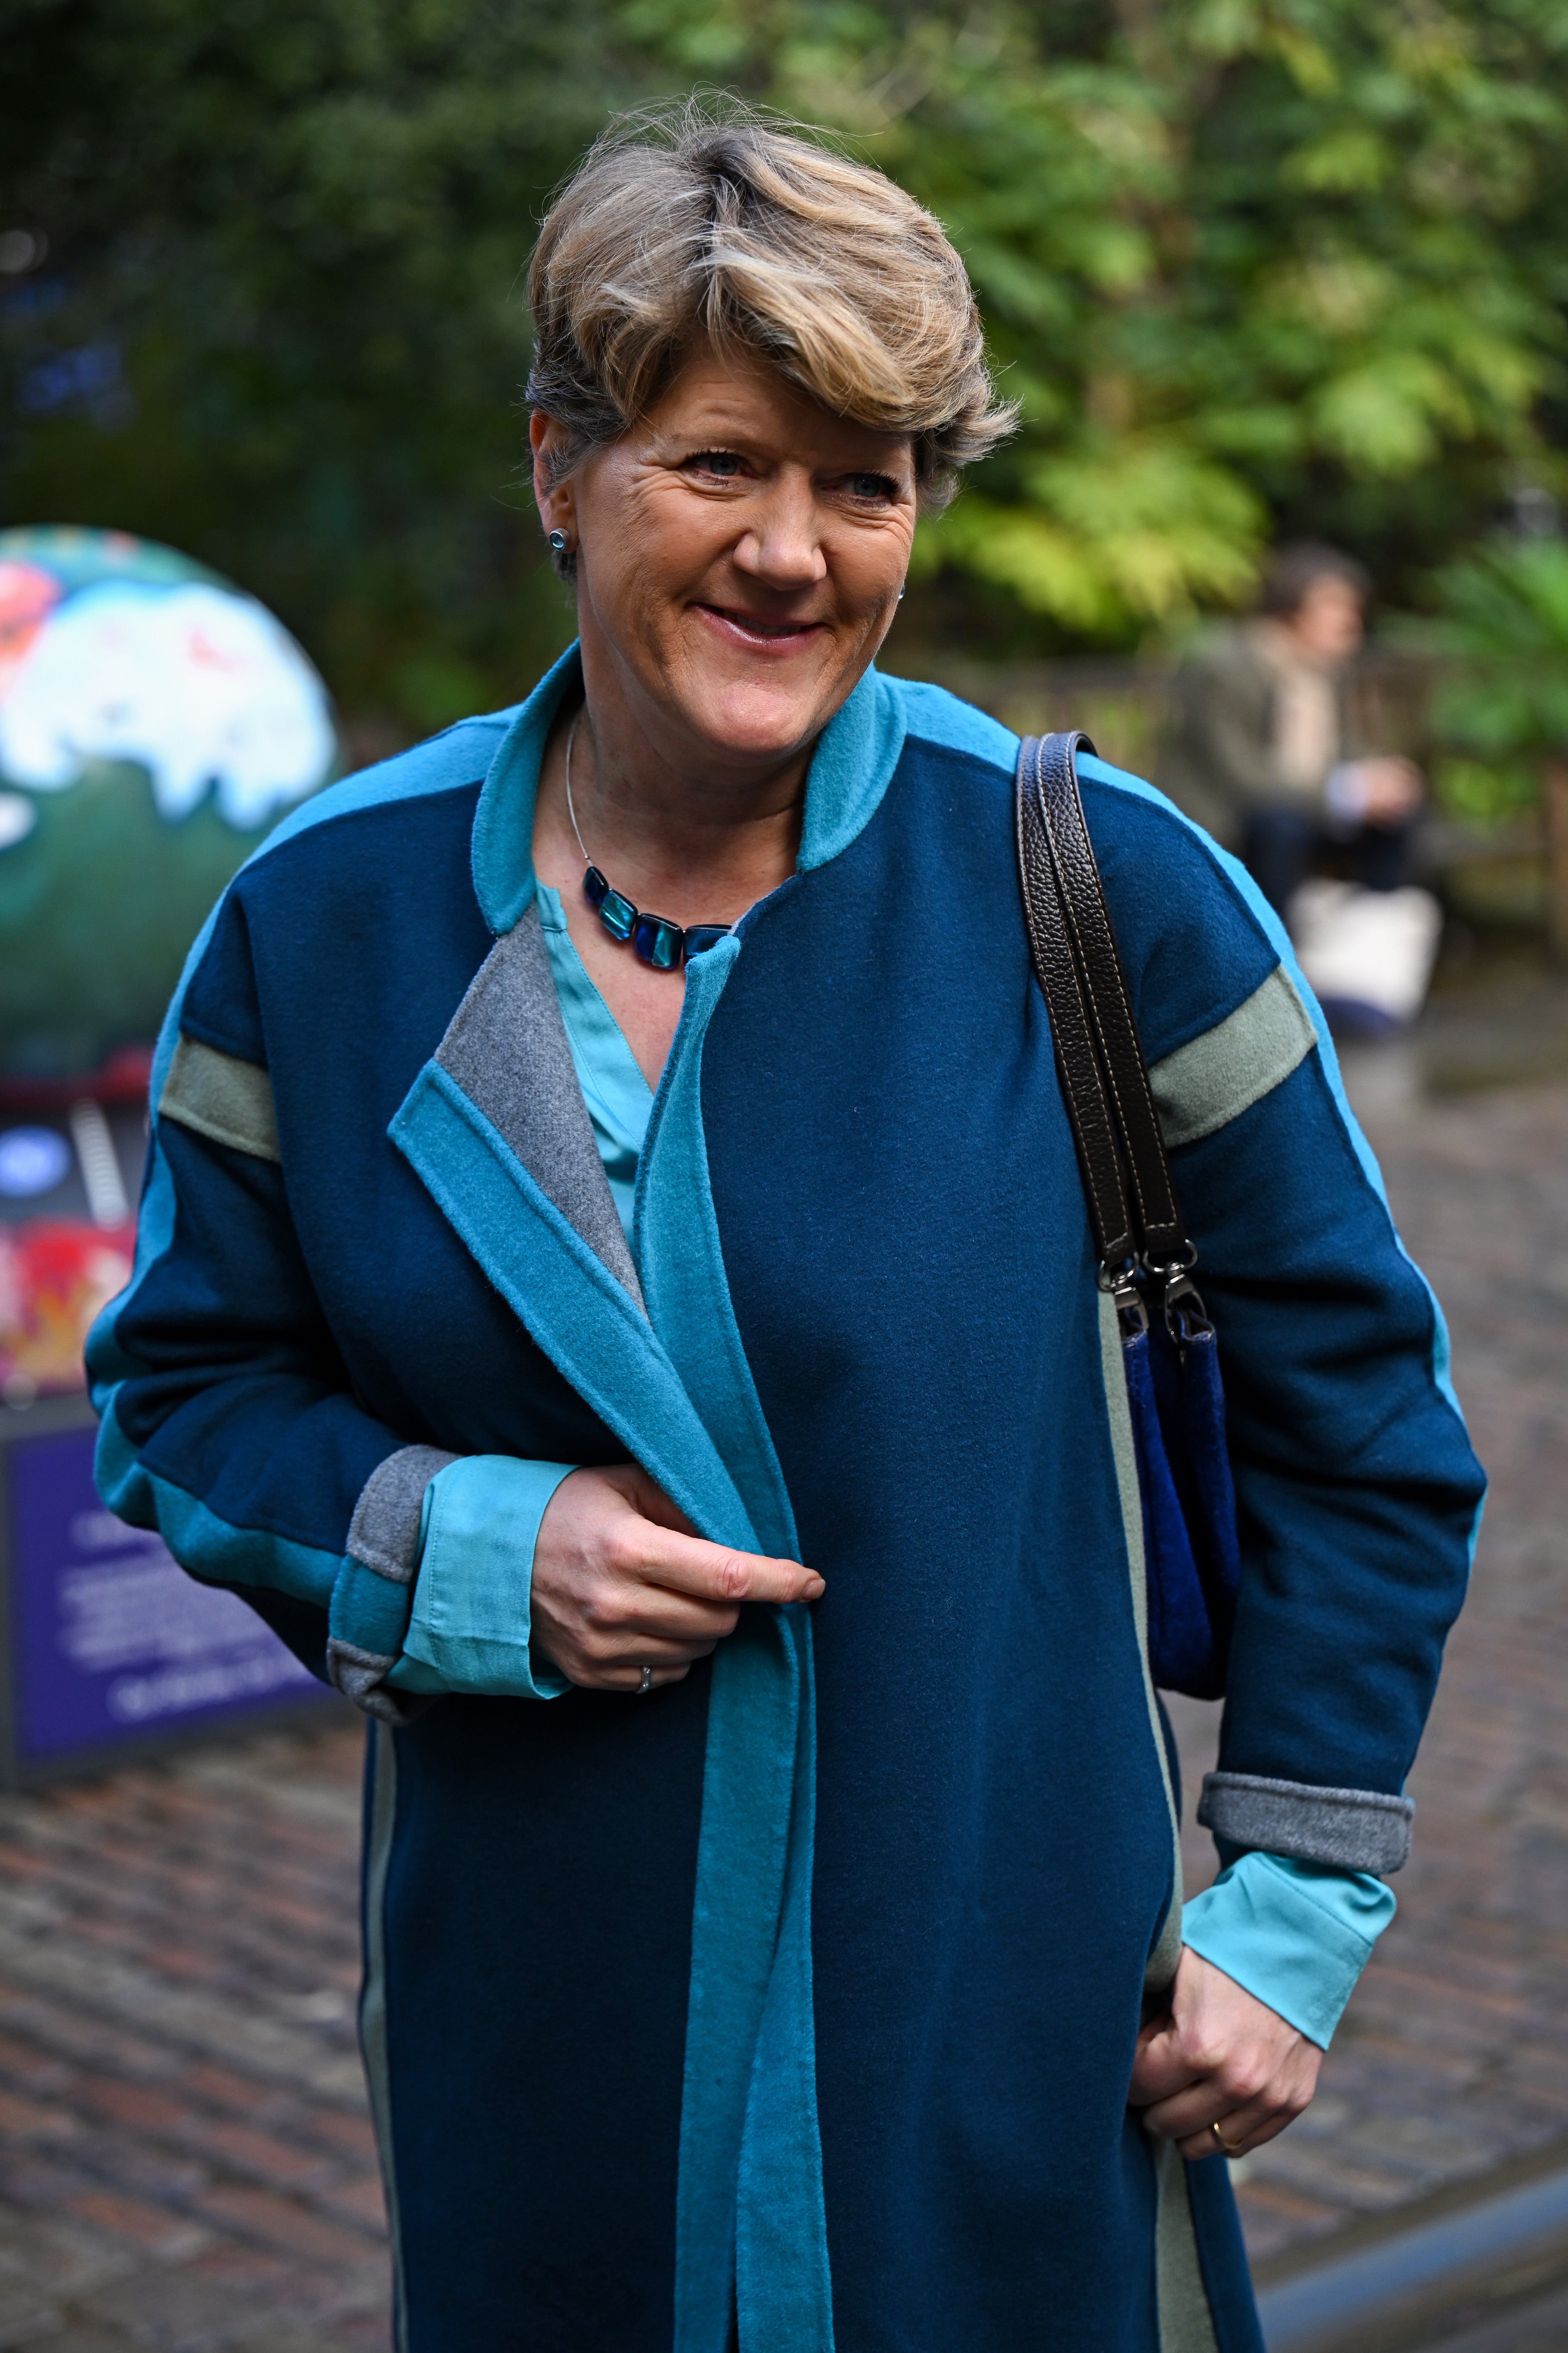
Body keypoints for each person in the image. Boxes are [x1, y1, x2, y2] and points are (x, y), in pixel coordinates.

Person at [87, 108, 1483, 2353]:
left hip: (1000, 2018)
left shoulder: (1098, 893)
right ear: (560, 463)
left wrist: (1296, 1889)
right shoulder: (315, 926)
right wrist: (453, 1543)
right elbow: (185, 1394)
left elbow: (1365, 1419)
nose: (796, 553)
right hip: (548, 2028)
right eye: (719, 461)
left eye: (870, 478)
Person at [1157, 543, 1425, 914]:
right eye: (1338, 608)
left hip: (1300, 808)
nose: (1352, 624)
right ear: (1292, 611)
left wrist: (1380, 775)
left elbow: (1339, 747)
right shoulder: (1226, 668)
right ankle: (1276, 961)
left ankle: (1373, 936)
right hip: (1227, 824)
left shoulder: (1318, 673)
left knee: (1393, 812)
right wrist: (1347, 791)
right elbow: (1241, 777)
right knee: (1280, 826)